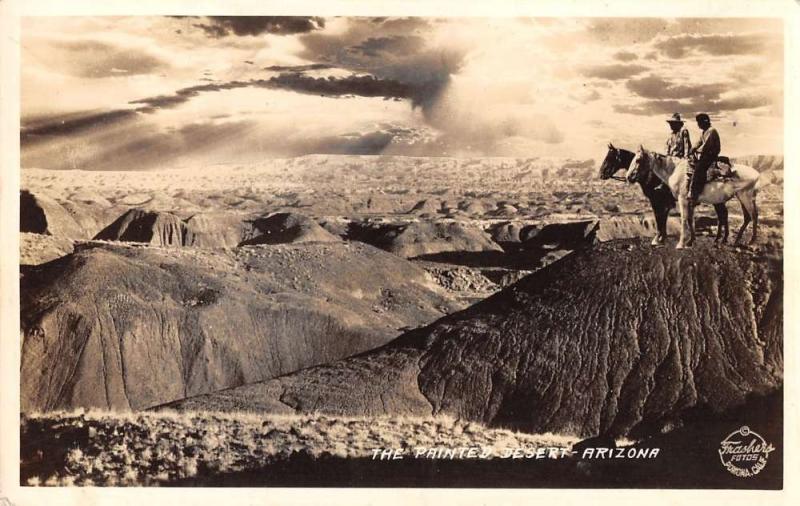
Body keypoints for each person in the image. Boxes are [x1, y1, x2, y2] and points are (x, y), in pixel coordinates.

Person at [687, 113, 721, 203]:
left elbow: (706, 146)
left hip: (710, 155)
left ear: (704, 122)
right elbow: (699, 142)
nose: (698, 124)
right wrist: (692, 149)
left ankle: (695, 194)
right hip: (705, 155)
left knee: (699, 169)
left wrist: (697, 151)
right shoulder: (704, 132)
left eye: (699, 122)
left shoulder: (711, 131)